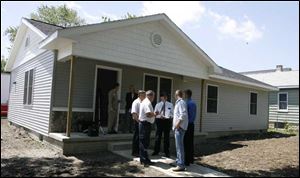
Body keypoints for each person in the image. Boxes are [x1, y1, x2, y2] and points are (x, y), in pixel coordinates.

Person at [152, 92, 173, 157]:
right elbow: (155, 114)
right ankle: (156, 151)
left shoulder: (170, 104)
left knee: (166, 137)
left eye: (165, 96)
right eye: (163, 96)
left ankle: (167, 152)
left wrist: (170, 116)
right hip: (159, 121)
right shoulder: (158, 105)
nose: (164, 98)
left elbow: (173, 114)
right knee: (158, 136)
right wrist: (159, 116)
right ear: (161, 97)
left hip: (167, 121)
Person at [172, 90, 188, 172]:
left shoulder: (181, 102)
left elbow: (183, 114)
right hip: (179, 128)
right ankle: (179, 162)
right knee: (179, 146)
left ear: (176, 95)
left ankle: (181, 165)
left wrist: (177, 125)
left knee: (179, 147)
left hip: (179, 128)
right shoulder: (179, 102)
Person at [139, 90, 156, 166]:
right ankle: (145, 160)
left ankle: (144, 159)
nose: (154, 98)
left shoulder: (145, 102)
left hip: (144, 124)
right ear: (150, 96)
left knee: (144, 142)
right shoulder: (147, 103)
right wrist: (155, 114)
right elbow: (148, 114)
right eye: (153, 96)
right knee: (144, 143)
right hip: (145, 124)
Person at [183, 89, 197, 166]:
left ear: (187, 94)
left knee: (187, 143)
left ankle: (187, 160)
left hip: (188, 125)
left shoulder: (190, 103)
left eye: (184, 94)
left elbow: (191, 116)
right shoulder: (190, 102)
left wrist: (186, 124)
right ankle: (190, 159)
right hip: (189, 124)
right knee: (189, 142)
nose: (184, 95)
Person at [131, 90, 146, 157]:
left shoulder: (143, 102)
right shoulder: (136, 102)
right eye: (143, 95)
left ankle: (139, 151)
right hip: (137, 121)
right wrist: (138, 121)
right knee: (136, 137)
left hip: (141, 121)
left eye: (144, 95)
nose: (144, 96)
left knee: (140, 137)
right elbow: (134, 113)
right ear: (139, 95)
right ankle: (135, 152)